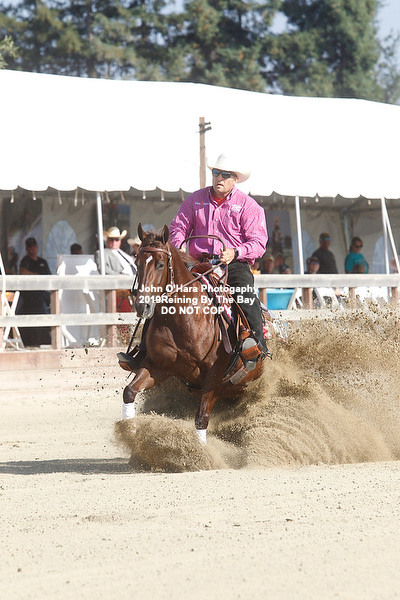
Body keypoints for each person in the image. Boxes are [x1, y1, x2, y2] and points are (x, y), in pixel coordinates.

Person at [118, 152, 269, 371]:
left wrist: (235, 252)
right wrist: (178, 244)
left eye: (225, 174)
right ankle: (145, 349)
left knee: (245, 295)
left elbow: (258, 243)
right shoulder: (195, 200)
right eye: (216, 173)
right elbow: (178, 227)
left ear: (235, 179)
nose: (219, 178)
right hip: (196, 262)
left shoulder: (248, 206)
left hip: (232, 263)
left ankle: (256, 346)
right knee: (162, 292)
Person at [16, 237, 51, 346]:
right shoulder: (25, 261)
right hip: (29, 296)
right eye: (30, 247)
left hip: (41, 295)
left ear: (37, 247)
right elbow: (23, 272)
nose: (32, 249)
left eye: (33, 247)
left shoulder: (42, 262)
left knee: (44, 317)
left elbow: (49, 277)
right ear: (27, 249)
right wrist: (38, 277)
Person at [95, 226, 137, 313]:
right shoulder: (102, 253)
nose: (114, 242)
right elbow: (103, 269)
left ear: (120, 241)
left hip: (135, 282)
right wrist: (119, 276)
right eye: (111, 239)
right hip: (121, 285)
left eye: (116, 239)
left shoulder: (125, 254)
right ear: (107, 240)